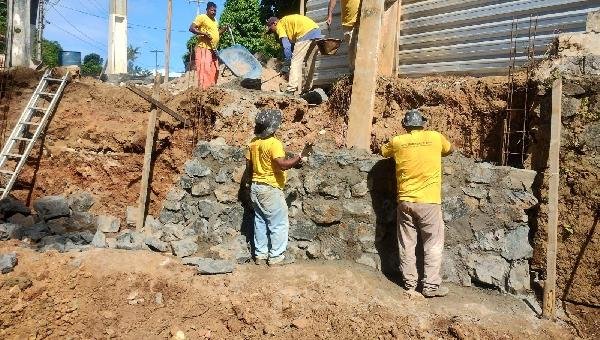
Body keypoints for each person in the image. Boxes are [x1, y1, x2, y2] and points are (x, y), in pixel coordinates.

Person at [380, 109, 454, 298]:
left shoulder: (398, 141)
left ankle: (410, 284)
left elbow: (382, 151)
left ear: (405, 125)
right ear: (423, 124)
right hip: (429, 201)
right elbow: (450, 150)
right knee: (433, 244)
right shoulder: (435, 137)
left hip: (405, 201)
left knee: (407, 243)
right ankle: (430, 286)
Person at [245, 109, 304, 266]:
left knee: (260, 221)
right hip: (270, 188)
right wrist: (298, 158)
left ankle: (260, 255)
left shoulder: (253, 143)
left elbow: (249, 167)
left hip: (255, 188)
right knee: (278, 223)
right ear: (273, 127)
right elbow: (282, 165)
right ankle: (276, 257)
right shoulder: (274, 143)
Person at [266, 15, 322, 94]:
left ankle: (291, 89)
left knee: (295, 61)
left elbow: (287, 47)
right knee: (310, 62)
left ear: (275, 23)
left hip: (305, 33)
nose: (273, 32)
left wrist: (287, 64)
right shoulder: (286, 22)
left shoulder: (280, 25)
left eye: (271, 29)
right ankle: (307, 89)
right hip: (316, 31)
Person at [188, 2, 228, 90]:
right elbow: (191, 28)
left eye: (215, 11)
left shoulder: (215, 21)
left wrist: (224, 29)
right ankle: (204, 90)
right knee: (204, 69)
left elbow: (216, 33)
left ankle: (211, 90)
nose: (213, 12)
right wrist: (204, 34)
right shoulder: (202, 17)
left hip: (213, 49)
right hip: (203, 48)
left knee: (215, 70)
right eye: (212, 10)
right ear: (207, 10)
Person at [326, 0, 359, 72]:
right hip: (348, 23)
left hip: (361, 20)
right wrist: (329, 15)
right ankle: (353, 73)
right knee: (352, 49)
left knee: (361, 48)